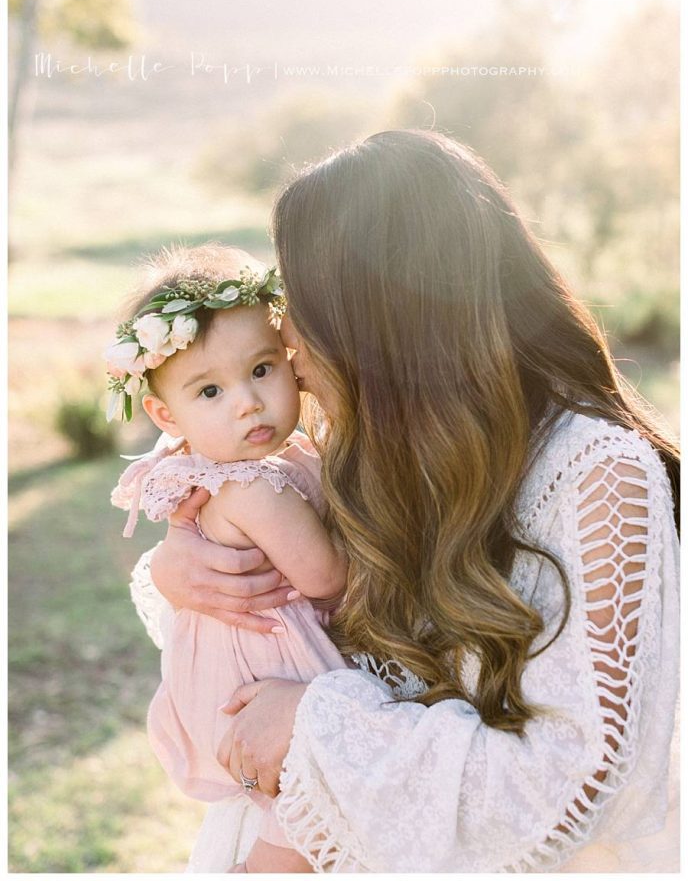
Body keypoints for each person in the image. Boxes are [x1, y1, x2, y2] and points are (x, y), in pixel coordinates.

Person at [131, 130, 680, 872]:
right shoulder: (381, 431)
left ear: (378, 313)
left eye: (302, 296)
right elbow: (289, 599)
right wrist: (187, 567)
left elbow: (577, 778)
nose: (286, 333)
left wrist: (315, 726)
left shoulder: (597, 473)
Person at [107, 243, 349, 874]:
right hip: (262, 666)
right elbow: (327, 576)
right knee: (300, 783)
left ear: (290, 362)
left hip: (237, 658)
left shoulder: (256, 464)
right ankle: (266, 864)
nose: (247, 402)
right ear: (166, 415)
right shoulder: (250, 487)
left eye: (262, 371)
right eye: (210, 390)